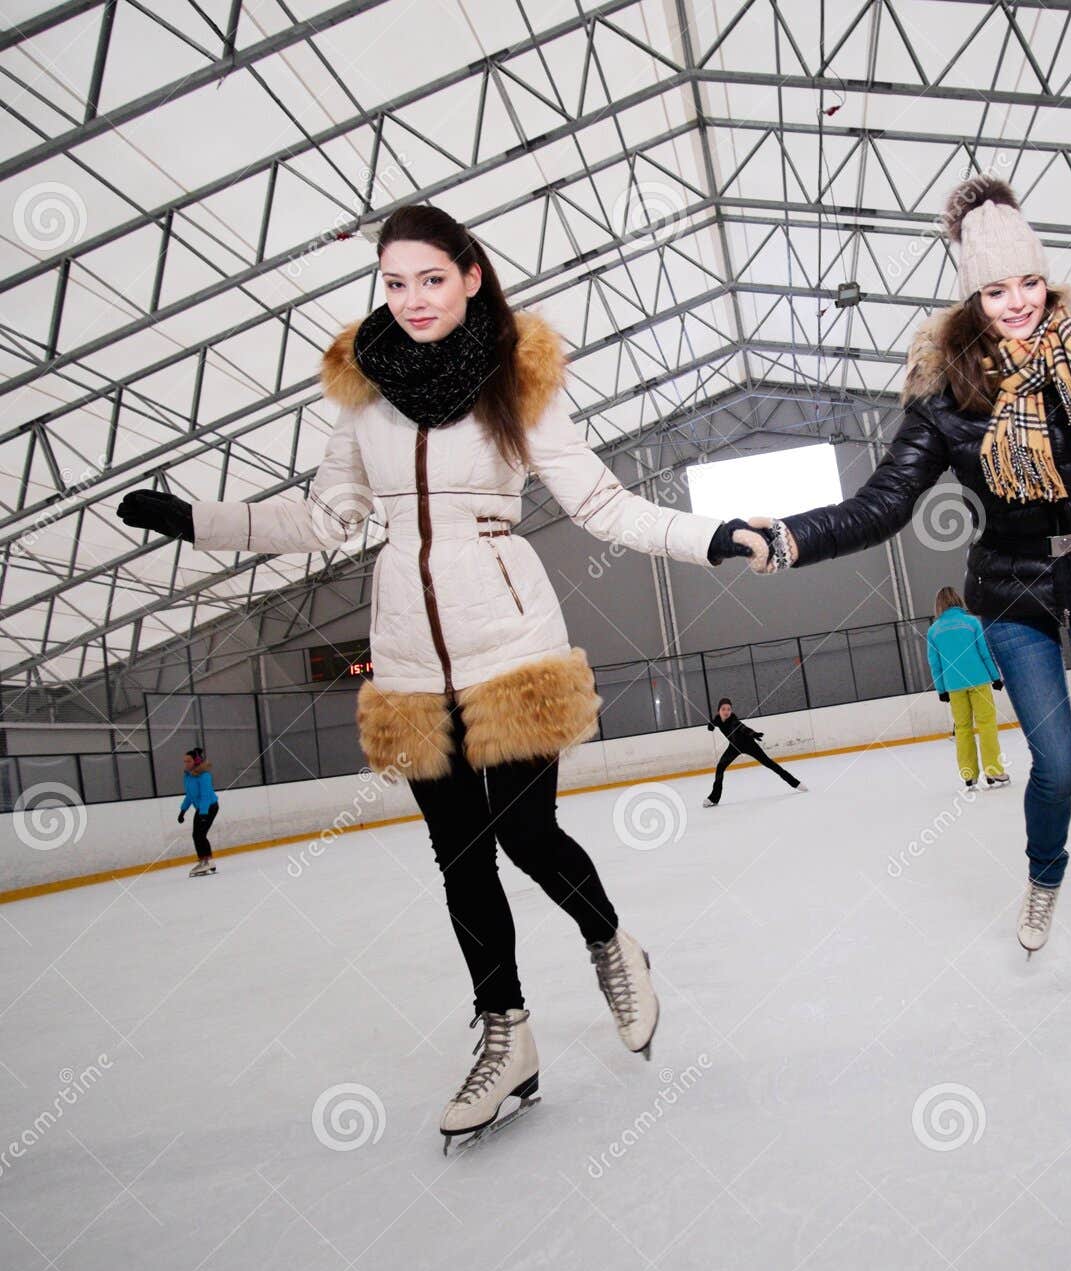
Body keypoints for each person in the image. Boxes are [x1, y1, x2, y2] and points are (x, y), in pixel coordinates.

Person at [117, 204, 770, 1150]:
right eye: (394, 282)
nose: (412, 299)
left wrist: (708, 535)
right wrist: (199, 521)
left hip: (509, 638)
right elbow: (326, 516)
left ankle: (611, 944)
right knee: (459, 853)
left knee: (526, 830)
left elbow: (598, 500)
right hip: (410, 654)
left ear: (470, 275)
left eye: (431, 278)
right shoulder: (359, 385)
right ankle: (505, 1031)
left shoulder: (518, 375)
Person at [743, 176, 1071, 1011]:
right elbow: (883, 504)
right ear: (972, 296)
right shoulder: (947, 398)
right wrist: (793, 535)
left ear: (1045, 278)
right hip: (1014, 594)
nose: (1018, 301)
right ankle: (1044, 876)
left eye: (1029, 282)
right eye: (996, 289)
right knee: (1057, 766)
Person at [925, 586, 1009, 787]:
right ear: (958, 600)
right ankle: (994, 771)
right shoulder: (971, 623)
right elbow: (984, 652)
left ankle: (968, 774)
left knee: (962, 729)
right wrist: (995, 676)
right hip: (979, 679)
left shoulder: (933, 631)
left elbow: (934, 663)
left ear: (939, 605)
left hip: (954, 686)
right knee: (987, 724)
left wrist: (941, 689)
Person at [703, 697, 805, 805]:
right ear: (718, 710)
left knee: (769, 763)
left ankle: (796, 783)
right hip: (734, 747)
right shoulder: (718, 719)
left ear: (731, 711)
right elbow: (713, 724)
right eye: (723, 709)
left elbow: (742, 727)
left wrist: (753, 734)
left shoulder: (733, 720)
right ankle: (713, 799)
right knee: (720, 768)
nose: (726, 711)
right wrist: (711, 726)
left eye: (728, 709)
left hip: (749, 744)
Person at [177, 745, 220, 876]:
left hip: (209, 807)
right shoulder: (188, 776)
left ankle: (207, 861)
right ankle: (204, 860)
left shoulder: (204, 776)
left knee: (200, 834)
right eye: (184, 761)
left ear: (195, 761)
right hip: (201, 808)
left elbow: (206, 796)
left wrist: (203, 814)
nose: (186, 763)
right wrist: (183, 811)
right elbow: (190, 795)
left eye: (188, 761)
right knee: (196, 835)